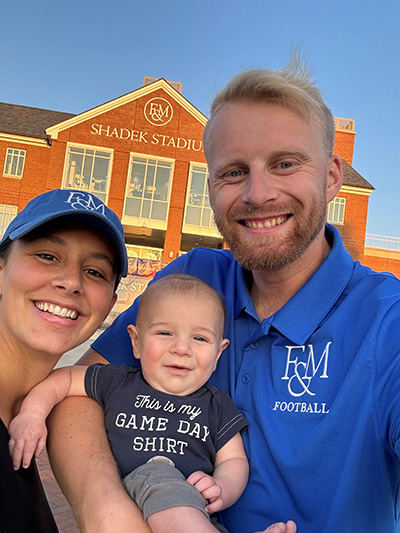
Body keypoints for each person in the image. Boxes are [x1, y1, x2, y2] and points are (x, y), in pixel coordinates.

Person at [47, 53, 400, 533]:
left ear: (332, 176)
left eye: (285, 163)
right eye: (233, 171)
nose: (257, 193)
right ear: (210, 186)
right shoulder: (195, 279)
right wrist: (107, 513)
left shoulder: (386, 321)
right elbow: (80, 394)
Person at [9, 274, 250, 533]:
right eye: (165, 332)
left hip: (187, 509)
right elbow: (64, 378)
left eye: (200, 339)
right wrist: (32, 414)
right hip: (127, 498)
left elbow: (234, 460)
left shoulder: (216, 404)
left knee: (171, 487)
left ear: (218, 354)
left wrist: (222, 487)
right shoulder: (118, 381)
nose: (182, 348)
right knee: (156, 474)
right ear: (136, 342)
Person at [0, 188, 128, 532]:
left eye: (96, 272)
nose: (71, 282)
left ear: (110, 302)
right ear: (0, 269)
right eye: (47, 256)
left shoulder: (23, 415)